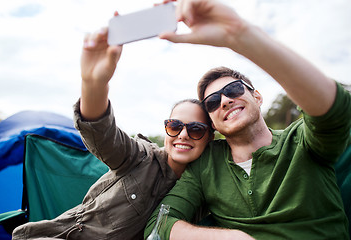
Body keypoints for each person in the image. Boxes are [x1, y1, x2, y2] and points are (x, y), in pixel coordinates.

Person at [145, 0, 351, 239]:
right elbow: (160, 224)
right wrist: (232, 237)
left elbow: (335, 109)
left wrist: (239, 35)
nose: (224, 101)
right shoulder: (206, 166)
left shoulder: (302, 140)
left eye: (233, 90)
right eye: (212, 102)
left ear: (257, 96)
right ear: (212, 122)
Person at [12, 22, 214, 240]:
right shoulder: (140, 157)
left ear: (210, 137)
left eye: (195, 129)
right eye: (175, 126)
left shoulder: (206, 186)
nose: (183, 135)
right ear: (166, 130)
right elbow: (101, 133)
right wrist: (94, 82)